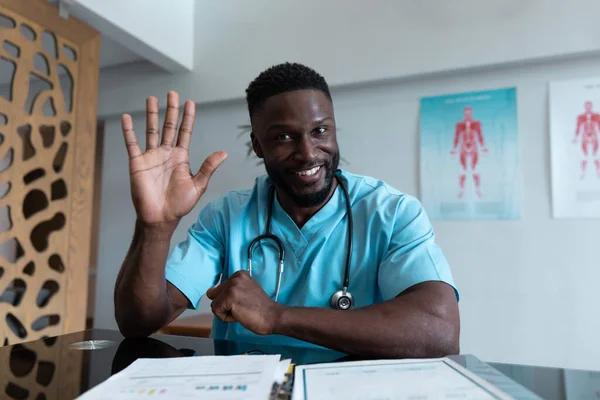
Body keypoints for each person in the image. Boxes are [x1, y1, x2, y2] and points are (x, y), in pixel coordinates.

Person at [114, 63, 460, 358]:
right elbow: (138, 322)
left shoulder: (392, 212)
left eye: (320, 130)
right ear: (257, 145)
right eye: (283, 137)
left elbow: (439, 332)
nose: (308, 153)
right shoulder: (227, 217)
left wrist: (277, 316)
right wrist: (155, 227)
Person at [451, 106, 487, 197]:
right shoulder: (459, 125)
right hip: (463, 147)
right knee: (462, 169)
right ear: (464, 113)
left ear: (471, 113)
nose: (467, 115)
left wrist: (483, 147)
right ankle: (461, 189)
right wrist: (454, 149)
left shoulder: (476, 123)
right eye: (466, 113)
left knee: (475, 168)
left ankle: (477, 189)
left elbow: (480, 135)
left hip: (473, 146)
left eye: (469, 113)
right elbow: (456, 137)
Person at [573, 101, 600, 179]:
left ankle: (598, 172)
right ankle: (583, 173)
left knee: (596, 156)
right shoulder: (581, 117)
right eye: (587, 106)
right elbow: (578, 128)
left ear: (591, 107)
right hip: (584, 137)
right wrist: (576, 138)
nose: (588, 108)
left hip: (594, 137)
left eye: (590, 106)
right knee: (584, 156)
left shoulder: (597, 116)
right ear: (585, 107)